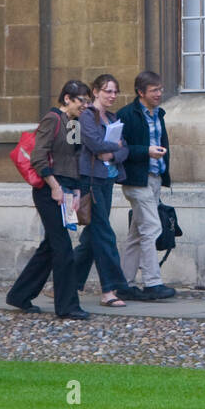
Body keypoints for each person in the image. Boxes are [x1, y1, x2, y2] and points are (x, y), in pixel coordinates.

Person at [6, 80, 93, 320]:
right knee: (62, 248)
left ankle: (19, 295)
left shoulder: (74, 123)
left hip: (66, 190)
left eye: (87, 100)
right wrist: (55, 187)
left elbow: (74, 159)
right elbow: (38, 158)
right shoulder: (52, 119)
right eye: (81, 100)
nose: (85, 105)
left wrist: (75, 192)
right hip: (48, 191)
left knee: (50, 247)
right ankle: (67, 306)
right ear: (67, 99)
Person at [72, 73, 143, 306]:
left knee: (93, 235)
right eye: (107, 91)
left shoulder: (113, 118)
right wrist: (115, 148)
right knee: (104, 234)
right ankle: (111, 290)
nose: (112, 95)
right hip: (90, 180)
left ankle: (67, 281)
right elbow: (93, 143)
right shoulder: (86, 117)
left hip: (108, 179)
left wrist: (112, 152)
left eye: (115, 91)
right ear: (95, 92)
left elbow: (125, 150)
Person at [117, 71, 176, 301]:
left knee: (136, 234)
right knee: (152, 228)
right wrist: (146, 151)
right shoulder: (126, 116)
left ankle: (124, 283)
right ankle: (152, 283)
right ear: (141, 92)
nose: (159, 94)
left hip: (153, 178)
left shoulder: (158, 114)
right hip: (135, 181)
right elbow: (120, 149)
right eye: (154, 90)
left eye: (160, 89)